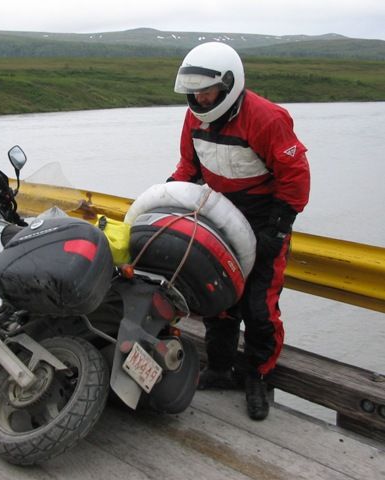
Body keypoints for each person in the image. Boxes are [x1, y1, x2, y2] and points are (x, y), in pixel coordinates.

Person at [168, 42, 310, 420]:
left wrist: (279, 228)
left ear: (229, 84)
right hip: (219, 215)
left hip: (264, 219)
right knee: (217, 298)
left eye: (207, 90)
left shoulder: (267, 118)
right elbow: (189, 166)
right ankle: (219, 367)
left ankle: (257, 376)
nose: (199, 98)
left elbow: (295, 175)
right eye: (194, 90)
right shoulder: (193, 118)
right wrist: (170, 195)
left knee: (259, 308)